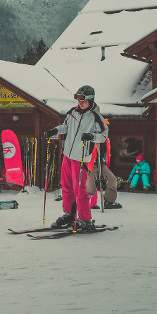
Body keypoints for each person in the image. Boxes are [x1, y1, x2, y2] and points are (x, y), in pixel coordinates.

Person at [43, 85, 109, 231]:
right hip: (68, 155)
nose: (79, 101)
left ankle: (85, 219)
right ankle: (69, 214)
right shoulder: (73, 112)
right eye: (77, 98)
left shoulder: (95, 116)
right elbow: (65, 127)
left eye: (82, 99)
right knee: (66, 186)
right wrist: (54, 130)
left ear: (90, 99)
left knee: (80, 188)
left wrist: (92, 136)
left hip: (81, 157)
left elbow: (104, 135)